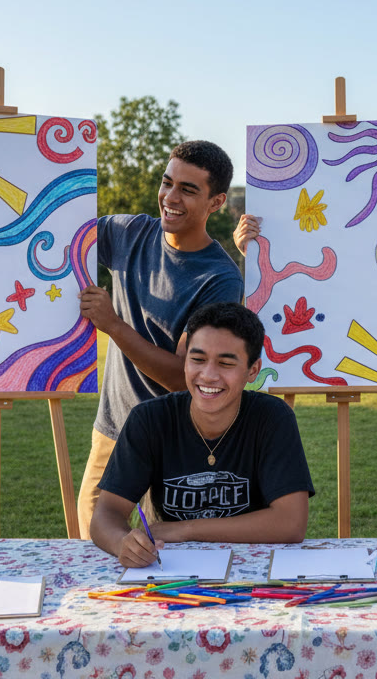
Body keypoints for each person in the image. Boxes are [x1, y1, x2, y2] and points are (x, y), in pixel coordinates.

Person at [77, 141, 244, 539]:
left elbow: (180, 375)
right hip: (113, 431)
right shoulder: (127, 233)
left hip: (176, 443)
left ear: (216, 201)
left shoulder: (220, 278)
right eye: (167, 183)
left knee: (168, 567)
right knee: (94, 555)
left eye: (188, 189)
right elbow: (59, 231)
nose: (170, 197)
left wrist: (113, 325)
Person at [89, 302, 313, 566]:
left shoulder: (272, 417)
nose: (208, 375)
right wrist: (121, 543)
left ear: (253, 370)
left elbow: (291, 523)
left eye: (226, 363)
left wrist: (185, 530)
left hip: (254, 567)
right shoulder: (149, 419)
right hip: (168, 568)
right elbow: (106, 514)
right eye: (197, 359)